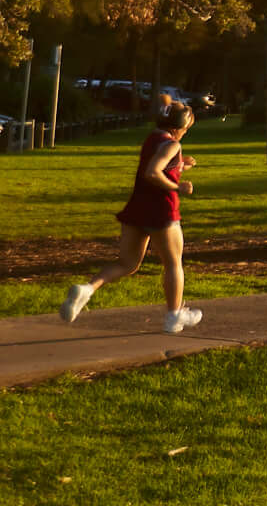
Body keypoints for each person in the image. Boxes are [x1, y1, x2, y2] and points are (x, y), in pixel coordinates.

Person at [60, 99, 204, 333]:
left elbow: (158, 164)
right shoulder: (171, 146)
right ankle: (175, 316)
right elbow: (153, 172)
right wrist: (179, 187)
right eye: (186, 130)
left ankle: (87, 289)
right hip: (162, 212)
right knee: (173, 263)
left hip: (137, 209)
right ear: (178, 128)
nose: (185, 134)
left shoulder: (152, 138)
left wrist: (181, 166)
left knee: (127, 264)